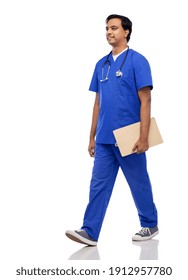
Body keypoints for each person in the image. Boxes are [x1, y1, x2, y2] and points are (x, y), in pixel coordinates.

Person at [65, 14, 158, 246]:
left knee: (138, 182)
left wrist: (144, 137)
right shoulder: (101, 64)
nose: (109, 32)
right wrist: (91, 136)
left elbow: (145, 101)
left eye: (114, 28)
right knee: (98, 185)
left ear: (126, 32)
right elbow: (98, 103)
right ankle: (89, 232)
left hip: (129, 136)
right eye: (107, 28)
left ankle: (149, 224)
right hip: (105, 138)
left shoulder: (138, 61)